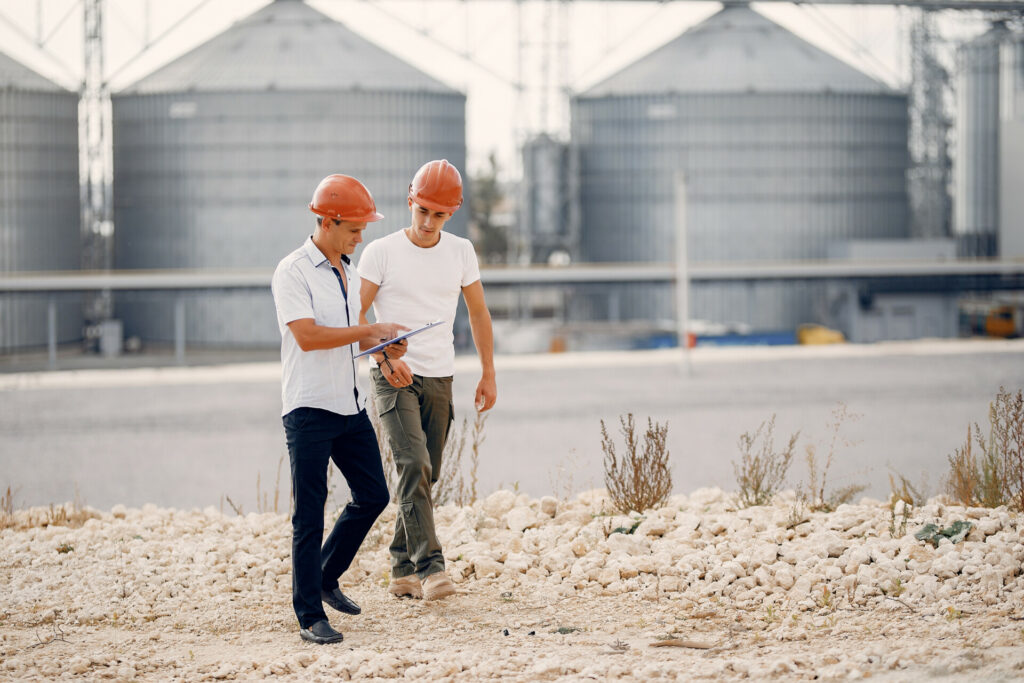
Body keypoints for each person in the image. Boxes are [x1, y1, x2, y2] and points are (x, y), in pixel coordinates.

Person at [271, 174, 409, 645]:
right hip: (308, 409)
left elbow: (353, 333)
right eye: (353, 228)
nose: (360, 236)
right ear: (326, 222)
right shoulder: (292, 271)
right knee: (308, 515)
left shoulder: (347, 271)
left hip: (350, 406)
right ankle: (310, 615)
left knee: (373, 495)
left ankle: (327, 575)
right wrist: (368, 332)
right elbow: (309, 337)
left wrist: (385, 352)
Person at [358, 159, 497, 602]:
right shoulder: (380, 252)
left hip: (441, 375)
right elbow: (355, 316)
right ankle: (432, 569)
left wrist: (488, 372)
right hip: (393, 374)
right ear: (410, 201)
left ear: (451, 213)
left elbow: (478, 312)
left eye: (438, 215)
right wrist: (382, 359)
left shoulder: (461, 252)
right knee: (413, 465)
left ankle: (401, 569)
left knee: (426, 473)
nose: (427, 222)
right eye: (422, 211)